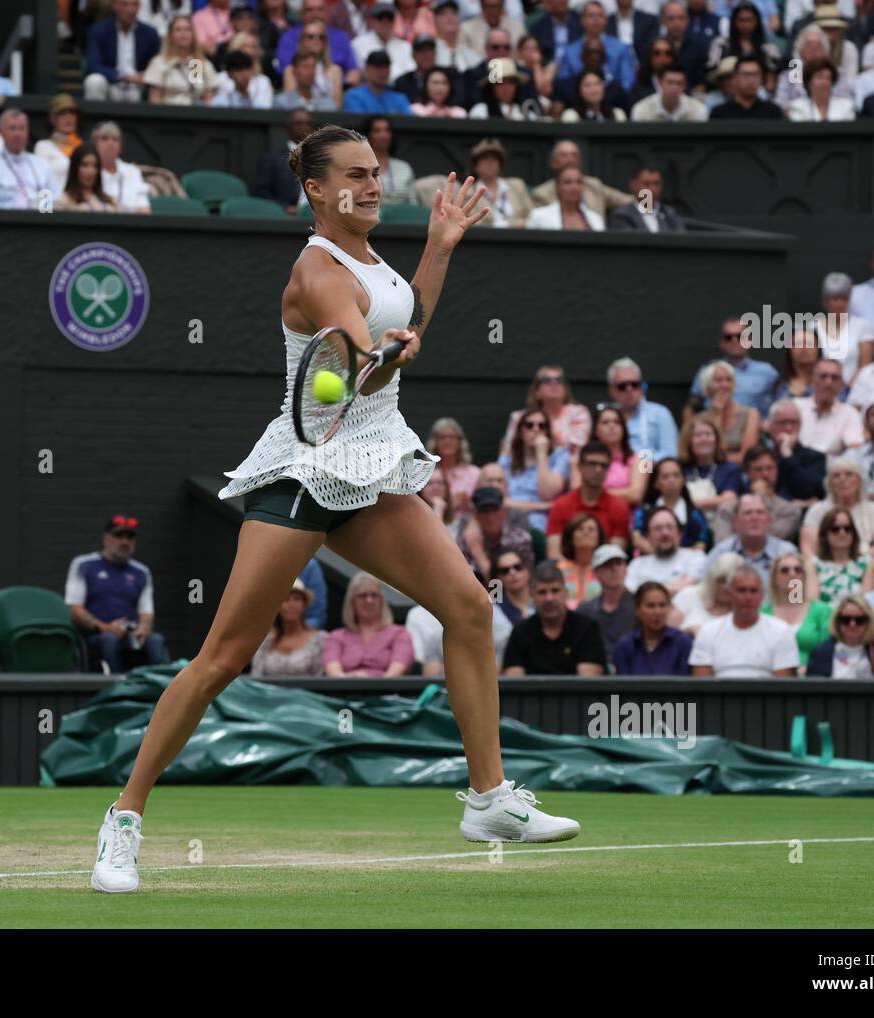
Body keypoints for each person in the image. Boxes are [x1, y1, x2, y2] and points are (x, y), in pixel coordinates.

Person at [90, 127, 581, 893]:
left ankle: (488, 801)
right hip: (303, 472)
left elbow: (404, 314)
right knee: (221, 659)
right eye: (357, 175)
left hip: (374, 468)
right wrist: (385, 353)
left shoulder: (374, 260)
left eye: (378, 173)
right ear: (318, 190)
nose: (375, 185)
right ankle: (123, 819)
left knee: (469, 610)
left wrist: (442, 248)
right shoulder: (317, 270)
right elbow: (365, 358)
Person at [65, 514, 169, 673]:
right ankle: (116, 693)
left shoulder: (142, 572)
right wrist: (105, 627)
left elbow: (147, 612)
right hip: (97, 635)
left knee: (156, 640)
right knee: (110, 641)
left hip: (131, 635)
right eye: (119, 536)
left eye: (130, 537)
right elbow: (74, 609)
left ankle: (157, 691)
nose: (125, 542)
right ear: (106, 538)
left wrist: (143, 628)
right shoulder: (84, 565)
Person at [690, 565, 800, 677]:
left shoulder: (781, 631)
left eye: (754, 591)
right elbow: (702, 686)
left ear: (762, 595)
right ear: (729, 594)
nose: (748, 597)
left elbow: (783, 688)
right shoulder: (708, 632)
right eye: (741, 590)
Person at [502, 562, 605, 676]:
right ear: (532, 596)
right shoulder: (520, 632)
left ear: (565, 593)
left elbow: (589, 684)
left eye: (555, 591)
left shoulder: (587, 628)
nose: (549, 598)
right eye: (542, 592)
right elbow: (515, 683)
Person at [546, 440, 631, 555]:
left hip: (604, 570)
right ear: (580, 466)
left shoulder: (619, 508)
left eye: (604, 465)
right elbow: (554, 555)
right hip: (567, 570)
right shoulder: (561, 505)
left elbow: (615, 555)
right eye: (592, 464)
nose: (598, 470)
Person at [324, 572, 413, 676]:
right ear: (352, 602)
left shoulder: (399, 634)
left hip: (387, 690)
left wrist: (372, 682)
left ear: (382, 600)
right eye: (363, 596)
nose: (369, 600)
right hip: (345, 690)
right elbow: (333, 672)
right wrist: (353, 681)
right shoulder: (336, 637)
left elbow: (398, 670)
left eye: (374, 595)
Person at [799, 456, 874, 558]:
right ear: (829, 483)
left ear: (859, 480)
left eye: (849, 474)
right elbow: (808, 547)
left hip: (866, 563)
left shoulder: (872, 509)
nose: (842, 479)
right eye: (836, 475)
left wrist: (859, 563)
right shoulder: (817, 510)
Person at [688, 316, 778, 416]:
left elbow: (779, 404)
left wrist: (768, 425)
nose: (734, 341)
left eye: (740, 336)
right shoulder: (707, 371)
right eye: (728, 337)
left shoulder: (767, 372)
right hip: (715, 427)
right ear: (722, 342)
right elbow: (691, 407)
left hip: (755, 428)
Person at [497, 407, 570, 531]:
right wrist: (541, 506)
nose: (536, 429)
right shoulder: (506, 461)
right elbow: (497, 500)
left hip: (540, 525)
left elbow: (547, 493)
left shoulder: (560, 457)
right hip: (507, 521)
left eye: (542, 426)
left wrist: (541, 453)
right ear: (520, 431)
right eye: (529, 425)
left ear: (548, 431)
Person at [499, 365, 592, 459]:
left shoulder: (578, 413)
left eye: (559, 380)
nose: (554, 383)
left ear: (565, 389)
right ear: (537, 391)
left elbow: (577, 446)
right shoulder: (519, 417)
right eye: (547, 380)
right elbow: (508, 451)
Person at [715, 444, 802, 543]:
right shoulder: (727, 508)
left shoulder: (789, 511)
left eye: (770, 468)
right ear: (747, 472)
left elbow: (767, 541)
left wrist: (761, 497)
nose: (765, 474)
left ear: (777, 470)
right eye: (758, 469)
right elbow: (722, 543)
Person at [529, 139, 634, 219]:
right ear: (553, 163)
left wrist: (648, 201)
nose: (570, 159)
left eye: (574, 155)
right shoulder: (541, 194)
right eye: (564, 155)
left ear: (580, 162)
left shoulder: (594, 185)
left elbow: (630, 201)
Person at [83, 0, 162, 103]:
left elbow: (157, 64)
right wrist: (121, 76)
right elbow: (92, 65)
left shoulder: (150, 33)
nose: (130, 9)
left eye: (134, 4)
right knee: (94, 81)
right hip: (111, 81)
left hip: (138, 86)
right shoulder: (99, 31)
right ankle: (96, 119)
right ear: (114, 6)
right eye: (125, 4)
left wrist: (144, 75)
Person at [0, 108, 57, 210]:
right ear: (1, 132)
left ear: (27, 132)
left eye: (21, 128)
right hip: (2, 221)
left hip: (37, 221)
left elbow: (50, 202)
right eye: (12, 128)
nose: (17, 134)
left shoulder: (41, 165)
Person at [631, 457, 712, 554]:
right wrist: (661, 556)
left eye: (676, 475)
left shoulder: (695, 514)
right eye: (665, 476)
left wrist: (676, 559)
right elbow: (637, 539)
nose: (671, 480)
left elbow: (701, 543)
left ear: (683, 480)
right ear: (656, 483)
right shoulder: (643, 511)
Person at [607, 357, 680, 463]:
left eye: (635, 384)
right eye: (622, 386)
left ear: (642, 387)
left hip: (650, 472)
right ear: (612, 391)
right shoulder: (607, 417)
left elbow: (671, 453)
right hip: (615, 472)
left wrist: (641, 463)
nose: (629, 389)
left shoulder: (660, 413)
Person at [613, 581, 693, 675]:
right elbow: (621, 686)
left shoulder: (682, 642)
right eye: (650, 606)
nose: (657, 612)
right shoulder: (625, 645)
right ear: (637, 609)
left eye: (662, 605)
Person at [248, 578, 325, 677]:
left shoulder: (320, 639)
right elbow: (256, 676)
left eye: (296, 599)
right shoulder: (265, 641)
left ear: (304, 604)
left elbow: (320, 678)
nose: (291, 604)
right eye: (285, 599)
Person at [459, 485, 534, 584]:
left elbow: (509, 587)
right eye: (484, 511)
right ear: (476, 515)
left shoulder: (520, 539)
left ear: (504, 511)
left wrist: (479, 554)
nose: (490, 517)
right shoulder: (467, 542)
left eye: (494, 510)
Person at [574, 544, 633, 670]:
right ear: (596, 573)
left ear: (626, 569)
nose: (614, 569)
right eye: (607, 565)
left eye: (619, 563)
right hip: (596, 674)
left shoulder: (640, 605)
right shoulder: (585, 609)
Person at [707, 493, 798, 574]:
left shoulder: (787, 552)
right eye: (747, 513)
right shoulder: (721, 552)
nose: (754, 517)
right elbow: (703, 588)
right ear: (735, 521)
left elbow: (796, 591)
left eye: (760, 512)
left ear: (769, 520)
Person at [691, 359, 760, 465]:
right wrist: (717, 414)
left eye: (729, 380)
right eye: (718, 380)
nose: (725, 385)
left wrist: (716, 459)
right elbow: (704, 454)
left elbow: (747, 456)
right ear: (708, 386)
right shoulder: (699, 419)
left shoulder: (751, 414)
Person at [625, 506, 706, 597]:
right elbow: (631, 595)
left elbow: (692, 586)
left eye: (670, 527)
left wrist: (648, 593)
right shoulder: (637, 565)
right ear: (648, 536)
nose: (665, 533)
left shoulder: (696, 557)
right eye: (657, 528)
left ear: (680, 534)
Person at [795, 357, 864, 457]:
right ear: (813, 380)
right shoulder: (795, 406)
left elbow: (855, 447)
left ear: (841, 384)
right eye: (823, 376)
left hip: (831, 468)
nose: (829, 382)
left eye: (834, 377)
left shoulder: (850, 414)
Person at [805, 593, 874, 678]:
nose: (852, 624)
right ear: (837, 621)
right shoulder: (821, 653)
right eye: (846, 620)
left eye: (859, 620)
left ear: (868, 621)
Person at [763, 399, 827, 503]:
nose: (788, 428)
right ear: (771, 426)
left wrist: (787, 454)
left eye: (794, 423)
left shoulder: (815, 457)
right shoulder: (762, 456)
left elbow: (807, 492)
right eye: (782, 422)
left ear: (800, 426)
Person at [143, 14, 217, 103]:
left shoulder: (197, 63)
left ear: (193, 35)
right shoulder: (159, 63)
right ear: (170, 35)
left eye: (187, 29)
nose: (183, 33)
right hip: (167, 113)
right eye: (178, 30)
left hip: (196, 115)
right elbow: (155, 99)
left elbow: (206, 98)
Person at [680, 414, 743, 514]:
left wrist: (689, 504)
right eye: (698, 435)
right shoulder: (680, 468)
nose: (704, 439)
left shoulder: (730, 468)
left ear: (717, 439)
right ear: (688, 441)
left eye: (708, 434)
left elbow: (729, 499)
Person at [465, 136, 532, 229]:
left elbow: (531, 216)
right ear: (475, 166)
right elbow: (470, 223)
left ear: (500, 164)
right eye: (485, 158)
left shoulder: (517, 185)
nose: (490, 162)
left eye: (495, 158)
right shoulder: (469, 192)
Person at [670, 550, 739, 636]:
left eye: (731, 583)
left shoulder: (745, 610)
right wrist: (687, 632)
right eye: (721, 581)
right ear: (711, 578)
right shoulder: (689, 595)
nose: (725, 587)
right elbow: (667, 632)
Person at [93, 121, 152, 214]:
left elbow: (144, 209)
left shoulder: (133, 171)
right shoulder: (89, 171)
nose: (110, 143)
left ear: (120, 146)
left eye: (115, 139)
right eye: (105, 139)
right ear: (95, 144)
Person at [526, 166, 606, 231]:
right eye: (568, 182)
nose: (574, 187)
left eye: (579, 182)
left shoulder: (595, 218)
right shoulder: (539, 215)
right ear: (557, 187)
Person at [361, 116, 416, 206]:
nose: (383, 135)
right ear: (368, 136)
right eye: (377, 131)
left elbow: (413, 202)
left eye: (387, 130)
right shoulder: (361, 167)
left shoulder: (404, 167)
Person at [34, 94, 85, 187]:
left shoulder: (83, 147)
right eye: (63, 114)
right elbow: (40, 182)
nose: (68, 118)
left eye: (72, 113)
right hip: (53, 199)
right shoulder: (43, 146)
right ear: (53, 119)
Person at [556, 512, 605, 608]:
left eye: (591, 529)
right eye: (580, 529)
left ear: (599, 538)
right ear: (570, 537)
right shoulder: (558, 569)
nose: (586, 532)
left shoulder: (606, 569)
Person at [708, 54, 782, 118]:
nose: (750, 80)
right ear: (735, 77)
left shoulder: (773, 113)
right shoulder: (719, 113)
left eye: (755, 75)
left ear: (761, 78)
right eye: (746, 75)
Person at [55, 144, 121, 212]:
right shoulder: (63, 202)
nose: (90, 171)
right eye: (85, 165)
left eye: (95, 166)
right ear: (75, 168)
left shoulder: (111, 201)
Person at [630, 63, 707, 122]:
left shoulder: (698, 109)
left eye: (679, 83)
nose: (674, 87)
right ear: (660, 83)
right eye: (670, 82)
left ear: (685, 85)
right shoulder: (642, 109)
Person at [787, 55, 854, 121]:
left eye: (828, 78)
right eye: (819, 77)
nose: (824, 82)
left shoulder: (846, 106)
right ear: (809, 82)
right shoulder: (797, 106)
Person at [343, 48, 411, 113]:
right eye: (378, 67)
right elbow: (357, 123)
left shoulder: (399, 98)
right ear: (367, 69)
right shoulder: (354, 96)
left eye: (386, 67)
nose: (383, 72)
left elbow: (408, 122)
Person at [275, 44, 337, 110]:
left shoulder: (328, 104)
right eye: (305, 67)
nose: (310, 72)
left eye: (313, 67)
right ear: (295, 71)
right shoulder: (281, 103)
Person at [491, 549, 534, 628]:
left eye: (517, 567)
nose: (512, 573)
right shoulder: (495, 611)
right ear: (498, 578)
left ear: (527, 571)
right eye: (505, 570)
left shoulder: (546, 597)